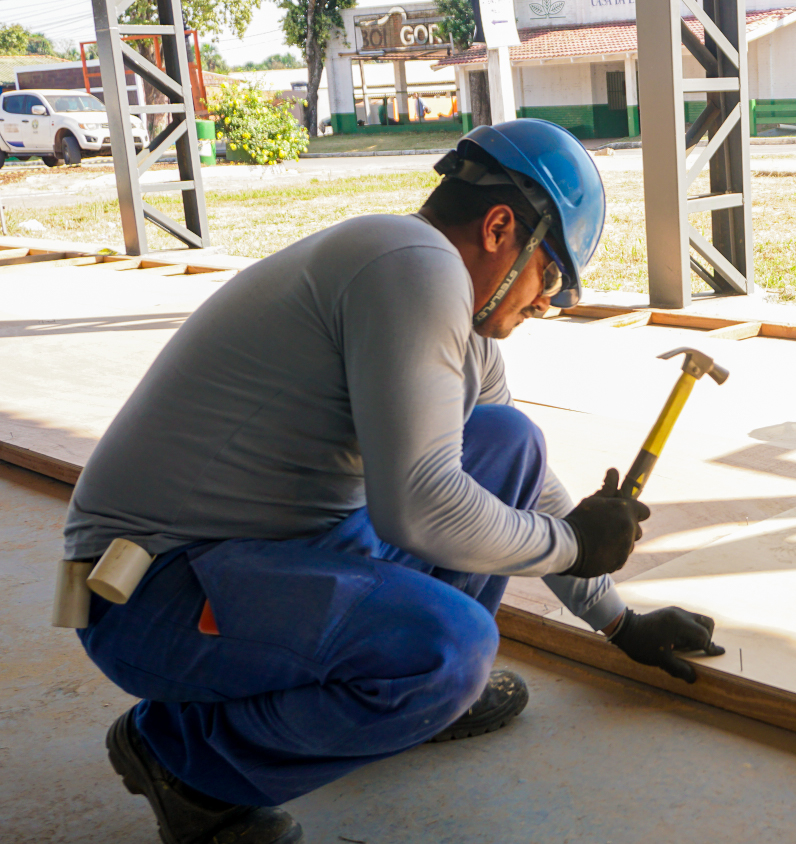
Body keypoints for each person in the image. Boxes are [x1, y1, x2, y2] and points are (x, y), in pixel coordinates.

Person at [64, 119, 724, 844]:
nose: (547, 303)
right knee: (452, 650)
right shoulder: (412, 266)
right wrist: (570, 546)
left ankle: (415, 698)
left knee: (507, 443)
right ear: (502, 227)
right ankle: (182, 762)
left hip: (255, 559)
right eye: (554, 277)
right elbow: (423, 509)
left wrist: (618, 621)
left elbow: (519, 484)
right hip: (150, 594)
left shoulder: (439, 298)